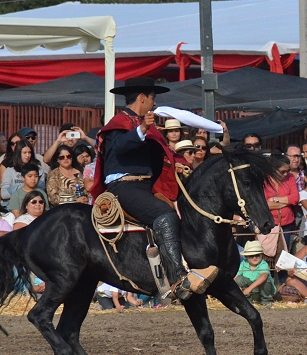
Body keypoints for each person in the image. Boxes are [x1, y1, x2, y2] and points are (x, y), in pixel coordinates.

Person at [89, 77, 217, 300]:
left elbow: (163, 154)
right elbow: (120, 147)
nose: (154, 103)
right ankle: (178, 279)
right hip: (123, 187)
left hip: (146, 187)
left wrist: (178, 165)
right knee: (165, 214)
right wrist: (143, 128)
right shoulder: (118, 124)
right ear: (142, 98)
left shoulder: (143, 125)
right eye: (152, 98)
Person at [12, 191, 46, 296]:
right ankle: (29, 288)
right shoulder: (21, 222)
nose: (38, 204)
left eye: (41, 202)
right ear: (26, 205)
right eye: (34, 201)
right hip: (28, 260)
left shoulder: (48, 220)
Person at [263, 155, 299, 248]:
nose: (286, 174)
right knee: (268, 252)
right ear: (273, 169)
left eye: (288, 171)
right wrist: (286, 202)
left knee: (284, 254)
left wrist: (275, 199)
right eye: (283, 172)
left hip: (286, 225)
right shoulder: (264, 180)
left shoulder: (290, 178)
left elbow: (295, 198)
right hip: (270, 224)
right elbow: (264, 205)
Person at [235, 241, 275, 307]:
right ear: (246, 256)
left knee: (266, 280)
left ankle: (266, 301)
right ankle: (248, 301)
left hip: (262, 291)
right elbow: (235, 277)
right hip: (249, 293)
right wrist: (236, 287)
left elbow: (263, 276)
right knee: (239, 279)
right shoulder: (243, 263)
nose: (254, 258)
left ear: (261, 255)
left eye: (257, 255)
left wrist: (249, 288)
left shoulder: (263, 264)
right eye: (251, 256)